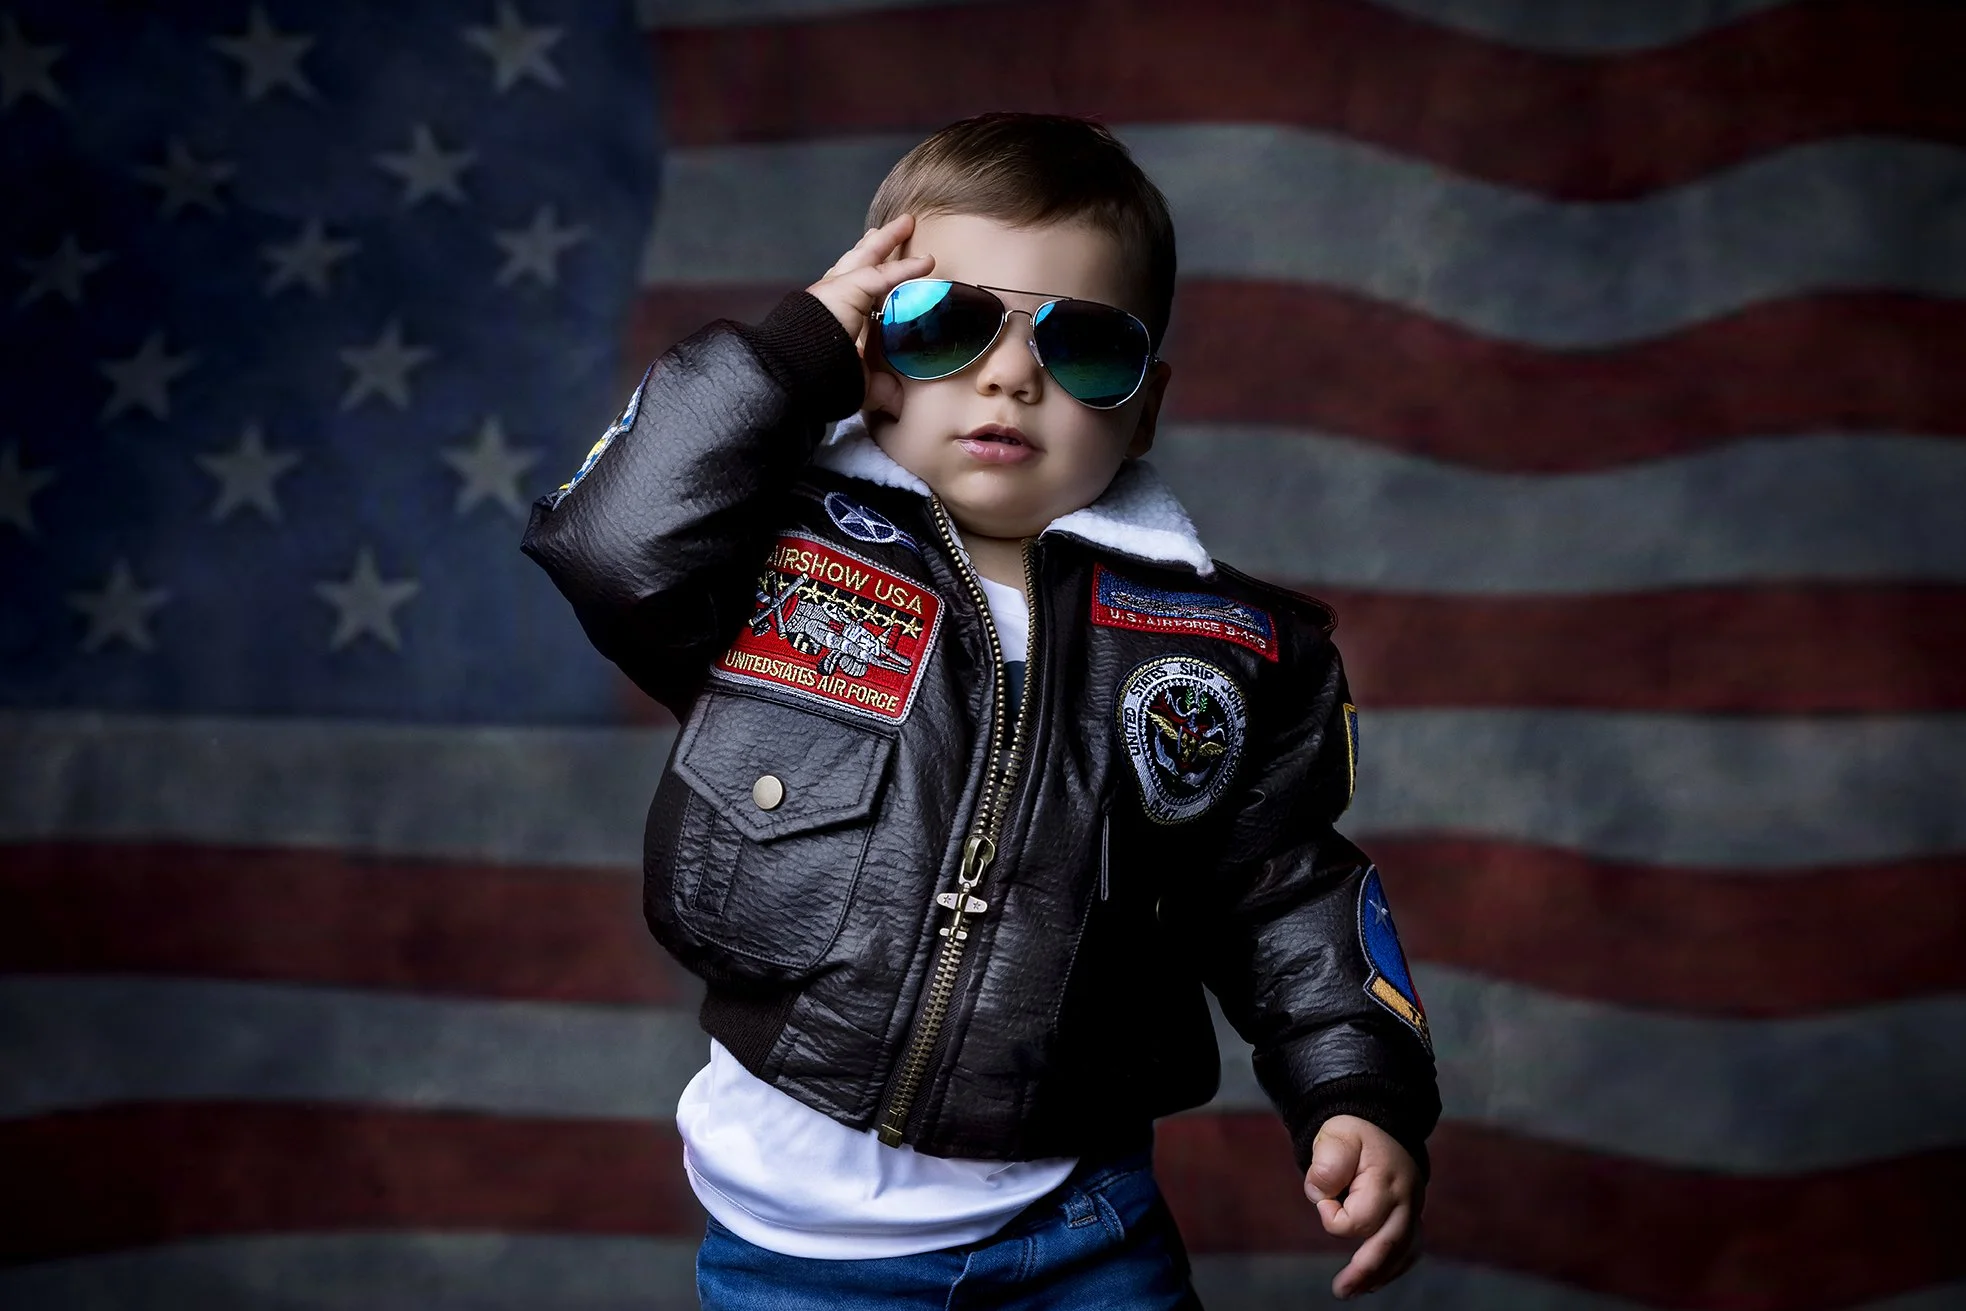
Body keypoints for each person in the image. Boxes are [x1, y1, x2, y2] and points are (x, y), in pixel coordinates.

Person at [522, 111, 1440, 1308]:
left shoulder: (1229, 648)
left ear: (1145, 406)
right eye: (947, 325)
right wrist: (796, 351)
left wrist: (1358, 1089)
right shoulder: (772, 557)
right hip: (797, 1249)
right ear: (872, 351)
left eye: (1085, 349)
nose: (1011, 373)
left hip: (1082, 1223)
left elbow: (1284, 891)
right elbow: (610, 542)